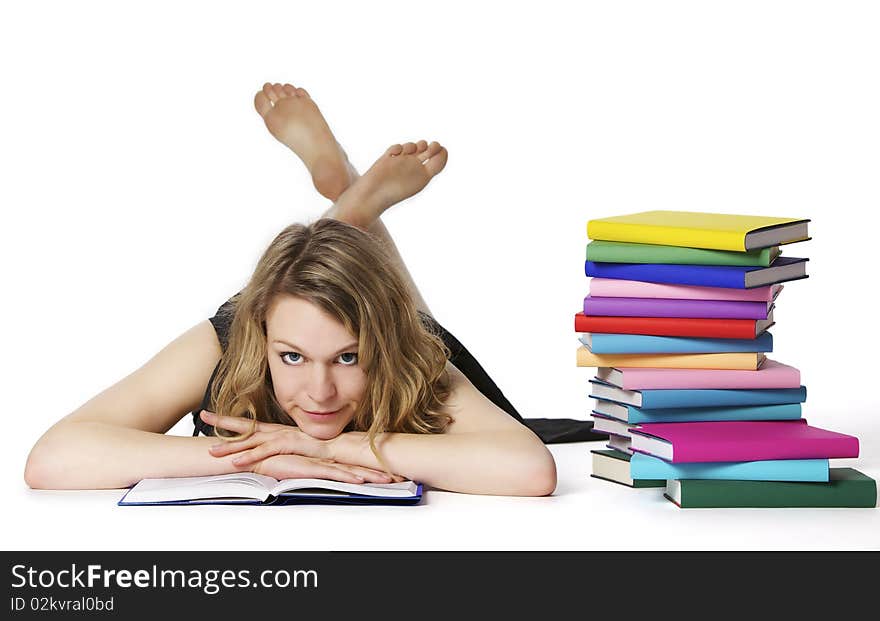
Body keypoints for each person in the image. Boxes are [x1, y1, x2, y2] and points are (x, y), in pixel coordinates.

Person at [24, 82, 558, 496]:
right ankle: (351, 201)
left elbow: (529, 468)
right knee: (296, 292)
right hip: (276, 312)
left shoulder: (408, 350)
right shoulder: (226, 340)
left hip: (397, 325)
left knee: (398, 309)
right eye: (292, 357)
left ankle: (352, 202)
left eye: (349, 358)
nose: (320, 393)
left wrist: (321, 447)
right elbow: (52, 458)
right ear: (259, 337)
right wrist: (261, 455)